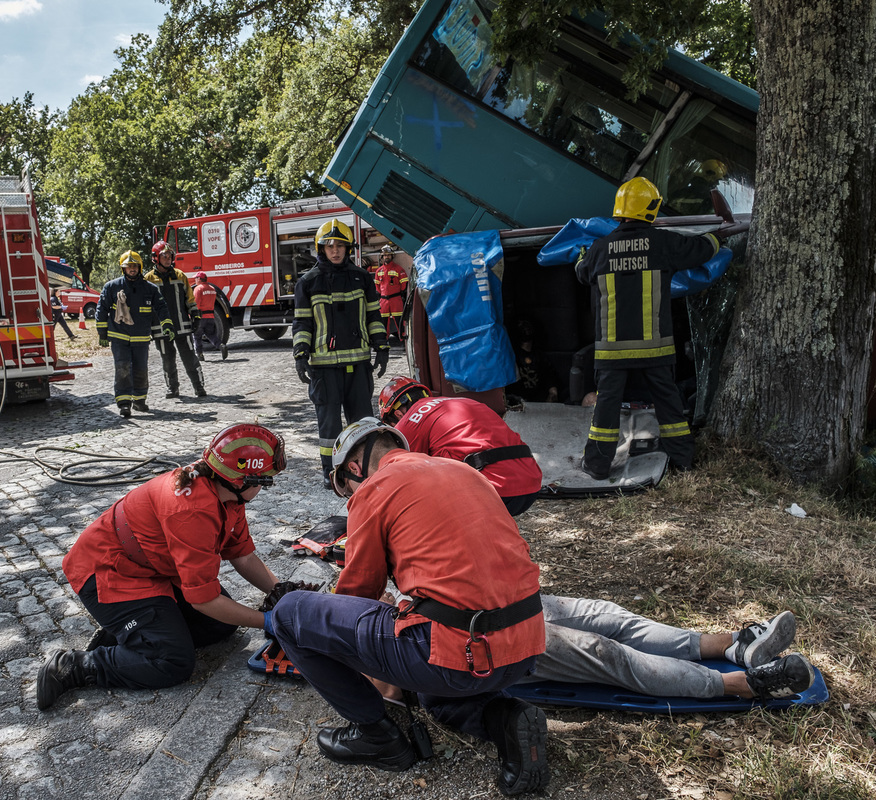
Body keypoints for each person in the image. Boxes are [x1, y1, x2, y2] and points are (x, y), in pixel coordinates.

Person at [267, 419, 550, 796]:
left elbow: (357, 594)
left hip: (459, 653)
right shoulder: (462, 470)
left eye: (346, 488)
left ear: (353, 468)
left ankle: (376, 736)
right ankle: (506, 719)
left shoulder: (375, 488)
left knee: (290, 613)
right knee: (434, 695)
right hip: (525, 646)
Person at [37, 424, 288, 710]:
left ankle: (136, 634)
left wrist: (283, 592)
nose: (266, 487)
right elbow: (204, 600)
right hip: (110, 573)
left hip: (153, 570)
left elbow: (242, 556)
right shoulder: (193, 510)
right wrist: (270, 622)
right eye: (265, 481)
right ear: (242, 479)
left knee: (221, 625)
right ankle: (74, 666)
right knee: (172, 662)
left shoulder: (226, 495)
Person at [575, 177, 719, 480]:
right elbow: (702, 250)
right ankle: (682, 460)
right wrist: (720, 236)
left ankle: (598, 464)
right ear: (651, 209)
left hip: (612, 351)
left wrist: (581, 255)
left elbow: (581, 271)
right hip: (656, 347)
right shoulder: (663, 243)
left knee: (607, 407)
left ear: (620, 209)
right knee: (668, 404)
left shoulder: (600, 249)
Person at [525, 598, 814, 701]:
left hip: (502, 605)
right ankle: (746, 685)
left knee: (607, 616)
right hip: (487, 644)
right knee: (603, 652)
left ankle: (733, 646)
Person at [292, 219, 389, 487]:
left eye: (340, 246)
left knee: (362, 422)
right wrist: (300, 353)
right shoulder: (308, 282)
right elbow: (302, 322)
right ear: (321, 249)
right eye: (329, 246)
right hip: (324, 368)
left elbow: (373, 316)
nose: (335, 251)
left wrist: (381, 346)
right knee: (329, 426)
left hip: (358, 365)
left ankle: (365, 468)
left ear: (348, 248)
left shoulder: (362, 278)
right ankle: (331, 471)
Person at [378, 377, 543, 516]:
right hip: (530, 480)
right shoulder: (464, 401)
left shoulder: (410, 419)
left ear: (398, 414)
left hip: (494, 488)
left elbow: (392, 473)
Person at [95, 250, 174, 418]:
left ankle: (139, 400)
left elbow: (162, 307)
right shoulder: (112, 287)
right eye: (128, 266)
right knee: (122, 368)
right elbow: (101, 309)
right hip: (119, 337)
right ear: (123, 269)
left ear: (140, 267)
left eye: (135, 266)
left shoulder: (149, 289)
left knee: (140, 369)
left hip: (141, 338)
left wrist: (167, 324)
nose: (132, 269)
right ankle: (124, 404)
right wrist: (102, 332)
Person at [145, 241, 209, 398]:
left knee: (189, 357)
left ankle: (198, 386)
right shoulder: (147, 279)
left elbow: (189, 299)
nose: (168, 259)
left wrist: (195, 316)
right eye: (164, 256)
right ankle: (172, 388)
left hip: (182, 326)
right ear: (155, 258)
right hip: (160, 329)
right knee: (167, 360)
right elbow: (145, 305)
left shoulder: (180, 276)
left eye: (170, 256)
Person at [373, 245, 408, 343]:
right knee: (383, 323)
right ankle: (384, 340)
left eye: (388, 255)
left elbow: (404, 284)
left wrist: (399, 293)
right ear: (382, 257)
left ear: (392, 256)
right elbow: (377, 286)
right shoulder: (379, 271)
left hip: (395, 299)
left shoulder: (398, 269)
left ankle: (403, 340)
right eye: (385, 255)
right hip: (383, 300)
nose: (386, 257)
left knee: (399, 321)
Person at [191, 272, 225, 363]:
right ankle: (220, 345)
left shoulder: (198, 289)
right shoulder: (212, 289)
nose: (195, 280)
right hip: (210, 316)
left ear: (199, 279)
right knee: (211, 334)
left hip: (201, 317)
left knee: (197, 336)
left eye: (196, 278)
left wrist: (191, 315)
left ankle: (200, 355)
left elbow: (196, 303)